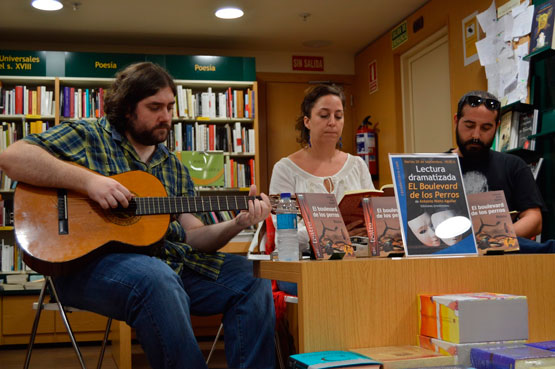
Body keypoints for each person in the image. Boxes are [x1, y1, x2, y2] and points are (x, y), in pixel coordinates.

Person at [0, 62, 275, 369]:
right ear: (127, 107)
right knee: (155, 278)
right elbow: (13, 158)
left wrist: (237, 223)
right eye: (155, 107)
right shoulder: (89, 135)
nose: (166, 117)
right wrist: (89, 182)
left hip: (169, 267)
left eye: (170, 107)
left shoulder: (173, 166)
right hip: (87, 267)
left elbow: (194, 236)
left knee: (255, 277)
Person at [269, 84, 374, 295]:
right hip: (301, 265)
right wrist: (333, 232)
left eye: (338, 116)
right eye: (324, 115)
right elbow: (284, 231)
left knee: (380, 279)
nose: (332, 122)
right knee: (338, 286)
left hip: (351, 262)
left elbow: (371, 220)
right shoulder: (285, 169)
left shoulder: (358, 165)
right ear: (307, 121)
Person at [450, 91, 555, 254]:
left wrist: (493, 240)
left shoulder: (513, 165)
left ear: (497, 127)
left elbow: (534, 220)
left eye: (486, 127)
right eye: (469, 126)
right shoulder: (434, 167)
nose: (476, 135)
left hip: (501, 263)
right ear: (456, 121)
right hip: (446, 261)